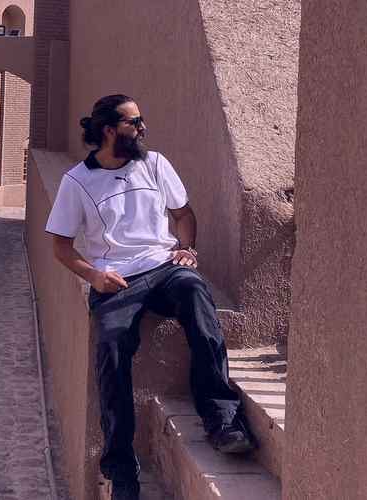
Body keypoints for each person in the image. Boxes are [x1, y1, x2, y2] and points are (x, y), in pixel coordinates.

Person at [45, 94, 255, 500]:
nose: (143, 128)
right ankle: (121, 470)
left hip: (164, 269)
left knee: (197, 294)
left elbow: (183, 215)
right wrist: (94, 276)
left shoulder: (155, 164)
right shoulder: (77, 181)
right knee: (112, 351)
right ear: (110, 130)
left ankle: (222, 419)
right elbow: (61, 246)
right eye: (134, 122)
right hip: (116, 280)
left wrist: (186, 249)